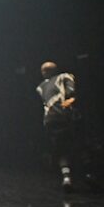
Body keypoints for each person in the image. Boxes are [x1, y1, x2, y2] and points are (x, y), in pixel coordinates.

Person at [36, 61, 95, 192]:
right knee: (81, 145)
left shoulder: (40, 87)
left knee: (61, 149)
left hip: (50, 120)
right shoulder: (65, 76)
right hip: (66, 117)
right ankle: (88, 174)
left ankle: (67, 177)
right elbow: (71, 95)